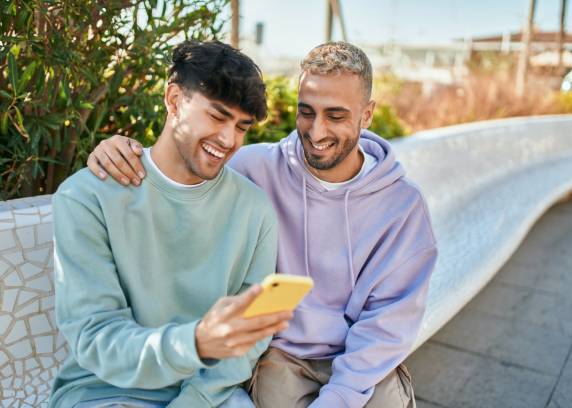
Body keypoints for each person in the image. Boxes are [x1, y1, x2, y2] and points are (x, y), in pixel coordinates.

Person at [87, 41, 438, 408]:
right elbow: (178, 176)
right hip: (280, 356)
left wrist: (339, 397)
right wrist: (120, 150)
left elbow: (387, 324)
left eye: (335, 116)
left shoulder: (402, 206)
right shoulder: (253, 170)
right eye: (306, 112)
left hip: (365, 361)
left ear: (366, 116)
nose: (316, 132)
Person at [50, 40, 293, 408]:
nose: (229, 140)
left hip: (209, 397)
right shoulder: (87, 197)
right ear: (175, 100)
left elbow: (250, 339)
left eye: (242, 126)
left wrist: (193, 399)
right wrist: (193, 343)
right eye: (217, 116)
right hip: (106, 393)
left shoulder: (254, 209)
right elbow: (96, 337)